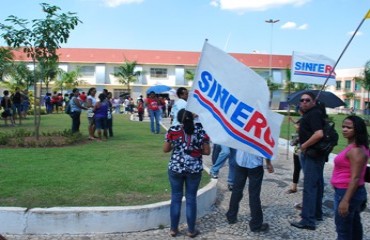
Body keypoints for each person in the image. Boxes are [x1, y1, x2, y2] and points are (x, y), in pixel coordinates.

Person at [163, 109, 210, 238]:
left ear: (178, 118)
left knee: (176, 198)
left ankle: (173, 229)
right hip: (194, 169)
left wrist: (177, 145)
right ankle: (191, 230)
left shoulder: (173, 130)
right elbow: (207, 152)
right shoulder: (201, 130)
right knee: (191, 199)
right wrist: (193, 149)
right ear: (192, 118)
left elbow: (165, 149)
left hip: (175, 168)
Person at [290, 91, 325, 231]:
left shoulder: (314, 114)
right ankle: (316, 214)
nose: (304, 102)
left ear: (313, 101)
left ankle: (308, 220)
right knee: (317, 185)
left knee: (309, 188)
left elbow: (319, 134)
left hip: (311, 154)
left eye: (307, 100)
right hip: (315, 154)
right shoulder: (312, 113)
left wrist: (303, 146)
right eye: (302, 100)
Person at [331, 115, 368, 240]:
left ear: (357, 129)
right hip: (350, 191)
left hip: (347, 192)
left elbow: (355, 178)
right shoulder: (357, 147)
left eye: (349, 127)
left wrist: (345, 200)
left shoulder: (356, 150)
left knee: (343, 231)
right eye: (343, 126)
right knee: (354, 224)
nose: (345, 129)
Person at [226, 151, 274, 233]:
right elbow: (265, 147)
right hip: (255, 164)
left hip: (240, 161)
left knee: (236, 190)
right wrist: (268, 163)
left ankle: (231, 216)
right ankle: (256, 224)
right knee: (254, 195)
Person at [286, 109, 303, 194]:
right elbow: (298, 124)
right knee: (296, 168)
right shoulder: (303, 118)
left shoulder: (308, 119)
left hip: (304, 149)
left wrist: (295, 125)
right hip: (297, 148)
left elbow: (299, 127)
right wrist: (292, 120)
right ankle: (294, 187)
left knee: (303, 170)